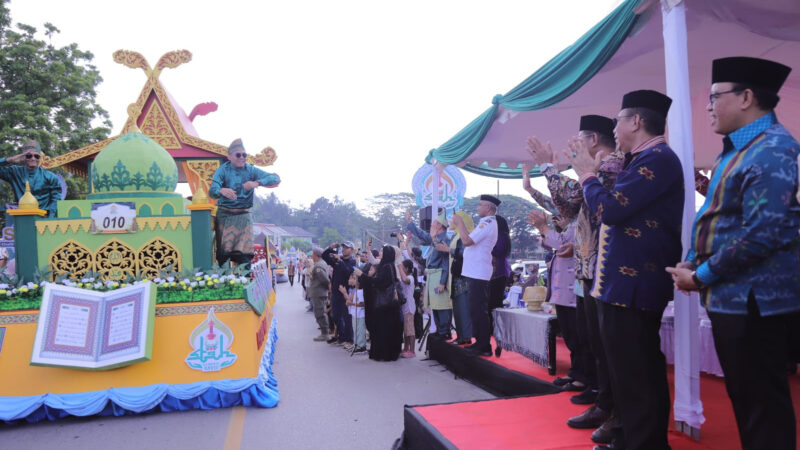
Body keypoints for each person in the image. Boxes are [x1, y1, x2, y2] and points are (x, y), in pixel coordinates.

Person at [667, 57, 799, 450]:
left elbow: (762, 233)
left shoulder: (772, 149)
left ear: (746, 97)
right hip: (733, 297)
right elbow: (716, 215)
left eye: (714, 97)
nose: (708, 106)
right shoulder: (737, 150)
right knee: (746, 400)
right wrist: (692, 258)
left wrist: (702, 275)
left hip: (756, 301)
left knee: (762, 407)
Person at [567, 90, 683, 450]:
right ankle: (628, 437)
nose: (613, 128)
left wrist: (587, 175)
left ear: (635, 121)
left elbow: (612, 210)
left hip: (634, 285)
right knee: (627, 373)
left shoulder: (659, 158)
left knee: (638, 373)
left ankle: (644, 443)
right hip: (618, 285)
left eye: (617, 119)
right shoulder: (639, 159)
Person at [525, 115, 623, 441]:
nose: (574, 144)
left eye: (579, 138)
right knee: (596, 343)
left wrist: (547, 167)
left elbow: (569, 195)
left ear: (593, 140)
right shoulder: (595, 170)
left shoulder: (611, 164)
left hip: (604, 269)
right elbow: (567, 203)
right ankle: (605, 404)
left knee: (608, 348)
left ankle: (615, 412)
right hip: (590, 270)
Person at [209, 139, 280, 266]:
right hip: (225, 216)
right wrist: (221, 190)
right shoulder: (222, 170)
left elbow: (275, 178)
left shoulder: (251, 170)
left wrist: (257, 182)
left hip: (244, 216)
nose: (242, 157)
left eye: (244, 155)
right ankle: (226, 281)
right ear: (229, 156)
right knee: (224, 255)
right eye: (238, 155)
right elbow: (212, 191)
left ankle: (246, 282)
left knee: (245, 256)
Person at [451, 195, 499, 357]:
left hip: (478, 272)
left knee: (478, 310)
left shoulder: (488, 222)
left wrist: (460, 223)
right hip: (475, 271)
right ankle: (480, 342)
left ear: (489, 208)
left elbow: (467, 241)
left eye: (480, 205)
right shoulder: (486, 223)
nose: (478, 208)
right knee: (475, 309)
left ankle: (484, 345)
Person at [406, 209, 452, 340]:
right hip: (433, 275)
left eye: (433, 224)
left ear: (439, 226)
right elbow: (422, 235)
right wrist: (410, 223)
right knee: (435, 305)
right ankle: (440, 329)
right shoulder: (437, 238)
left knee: (441, 305)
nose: (431, 225)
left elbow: (445, 263)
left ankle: (444, 330)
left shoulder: (444, 239)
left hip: (439, 275)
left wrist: (443, 282)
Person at [435, 211, 474, 345]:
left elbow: (464, 254)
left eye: (453, 219)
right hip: (455, 276)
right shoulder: (457, 236)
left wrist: (448, 251)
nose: (451, 222)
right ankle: (461, 335)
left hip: (462, 278)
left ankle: (466, 336)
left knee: (463, 308)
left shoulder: (464, 236)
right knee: (457, 309)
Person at [360, 245, 403, 362]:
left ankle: (383, 353)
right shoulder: (389, 266)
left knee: (382, 329)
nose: (380, 253)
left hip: (384, 304)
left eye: (382, 251)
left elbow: (379, 282)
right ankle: (388, 353)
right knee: (387, 329)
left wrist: (362, 275)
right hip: (389, 304)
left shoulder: (386, 267)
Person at [0, 140, 62, 217]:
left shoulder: (50, 176)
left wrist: (50, 219)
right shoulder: (14, 172)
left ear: (40, 157)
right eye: (29, 156)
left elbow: (56, 200)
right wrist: (9, 160)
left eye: (36, 156)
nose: (33, 158)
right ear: (23, 157)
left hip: (44, 217)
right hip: (23, 217)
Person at [322, 241, 357, 348]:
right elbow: (324, 256)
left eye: (346, 248)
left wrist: (340, 261)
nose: (344, 249)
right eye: (343, 247)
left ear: (351, 250)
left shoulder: (352, 261)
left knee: (347, 318)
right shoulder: (337, 260)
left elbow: (348, 272)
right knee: (335, 315)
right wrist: (330, 248)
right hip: (336, 292)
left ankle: (349, 340)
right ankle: (341, 337)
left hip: (345, 293)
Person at [488, 215, 511, 357]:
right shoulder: (500, 235)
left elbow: (497, 251)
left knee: (494, 307)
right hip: (495, 275)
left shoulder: (501, 236)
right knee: (492, 308)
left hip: (498, 275)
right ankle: (496, 339)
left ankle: (498, 339)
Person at [308, 247, 331, 342]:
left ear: (316, 255)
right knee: (321, 312)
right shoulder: (322, 263)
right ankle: (324, 332)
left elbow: (325, 279)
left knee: (320, 313)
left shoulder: (318, 266)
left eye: (313, 254)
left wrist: (328, 287)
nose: (312, 256)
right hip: (320, 292)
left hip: (319, 292)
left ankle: (325, 333)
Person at [340, 272, 367, 354]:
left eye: (354, 279)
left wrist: (350, 303)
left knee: (360, 330)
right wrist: (345, 295)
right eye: (351, 278)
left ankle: (361, 347)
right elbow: (349, 300)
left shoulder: (361, 291)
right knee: (355, 329)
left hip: (360, 314)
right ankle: (356, 344)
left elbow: (362, 304)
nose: (352, 280)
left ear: (359, 282)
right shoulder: (355, 291)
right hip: (355, 314)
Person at [399, 259, 417, 358]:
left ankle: (412, 351)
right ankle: (406, 348)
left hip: (409, 307)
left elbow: (406, 280)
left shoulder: (410, 277)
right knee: (405, 330)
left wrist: (400, 269)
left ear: (406, 268)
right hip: (404, 306)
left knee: (410, 330)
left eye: (403, 267)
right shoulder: (404, 276)